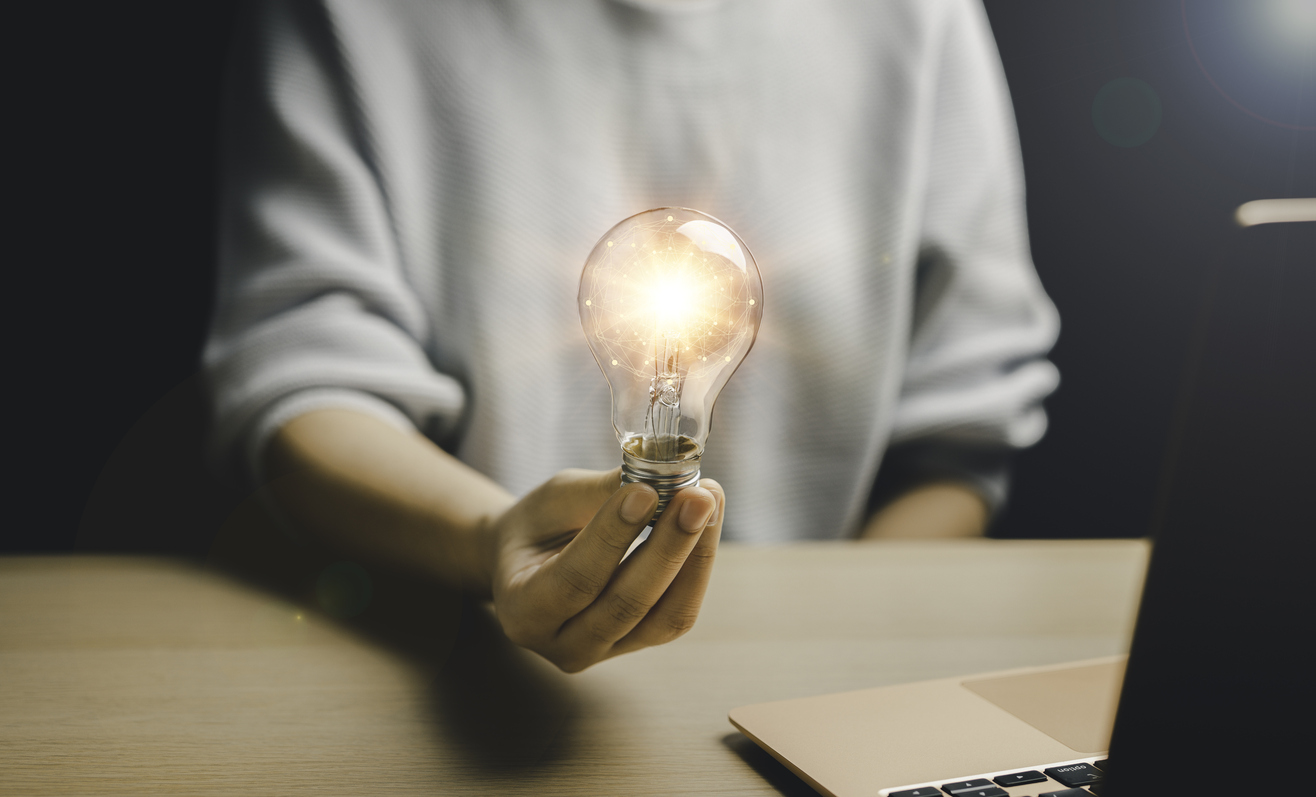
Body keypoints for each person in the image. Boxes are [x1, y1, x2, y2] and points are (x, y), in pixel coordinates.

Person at [204, 0, 1059, 672]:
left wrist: (826, 657)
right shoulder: (355, 16)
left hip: (820, 666)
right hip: (454, 651)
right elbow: (303, 375)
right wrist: (493, 538)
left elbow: (960, 436)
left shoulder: (920, 16)